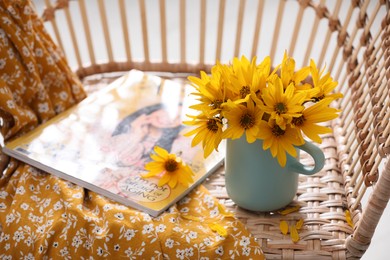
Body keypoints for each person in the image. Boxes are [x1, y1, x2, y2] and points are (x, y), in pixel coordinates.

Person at [0, 1, 264, 258]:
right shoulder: (123, 130)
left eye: (169, 121)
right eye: (159, 114)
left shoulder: (168, 143)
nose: (164, 120)